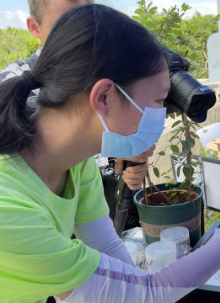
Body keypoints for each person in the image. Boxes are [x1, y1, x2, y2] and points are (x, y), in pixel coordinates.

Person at [0, 5, 220, 302]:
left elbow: (111, 251)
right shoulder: (8, 207)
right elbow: (149, 294)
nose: (160, 116)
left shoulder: (74, 161)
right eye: (157, 102)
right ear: (105, 97)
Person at [0, 0, 148, 197]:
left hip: (108, 208)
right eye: (68, 20)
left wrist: (133, 161)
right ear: (35, 27)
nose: (85, 31)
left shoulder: (115, 76)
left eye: (91, 19)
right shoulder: (13, 82)